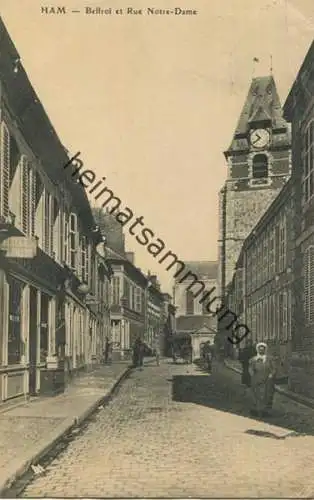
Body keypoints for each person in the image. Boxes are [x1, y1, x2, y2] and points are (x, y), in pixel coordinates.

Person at [249, 342, 276, 417]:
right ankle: (256, 409)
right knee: (256, 394)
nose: (261, 351)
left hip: (267, 379)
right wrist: (252, 374)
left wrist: (271, 375)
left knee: (267, 395)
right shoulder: (253, 359)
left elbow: (274, 368)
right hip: (256, 378)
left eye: (263, 350)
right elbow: (250, 368)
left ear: (265, 350)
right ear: (257, 350)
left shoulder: (270, 359)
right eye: (259, 350)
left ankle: (266, 411)